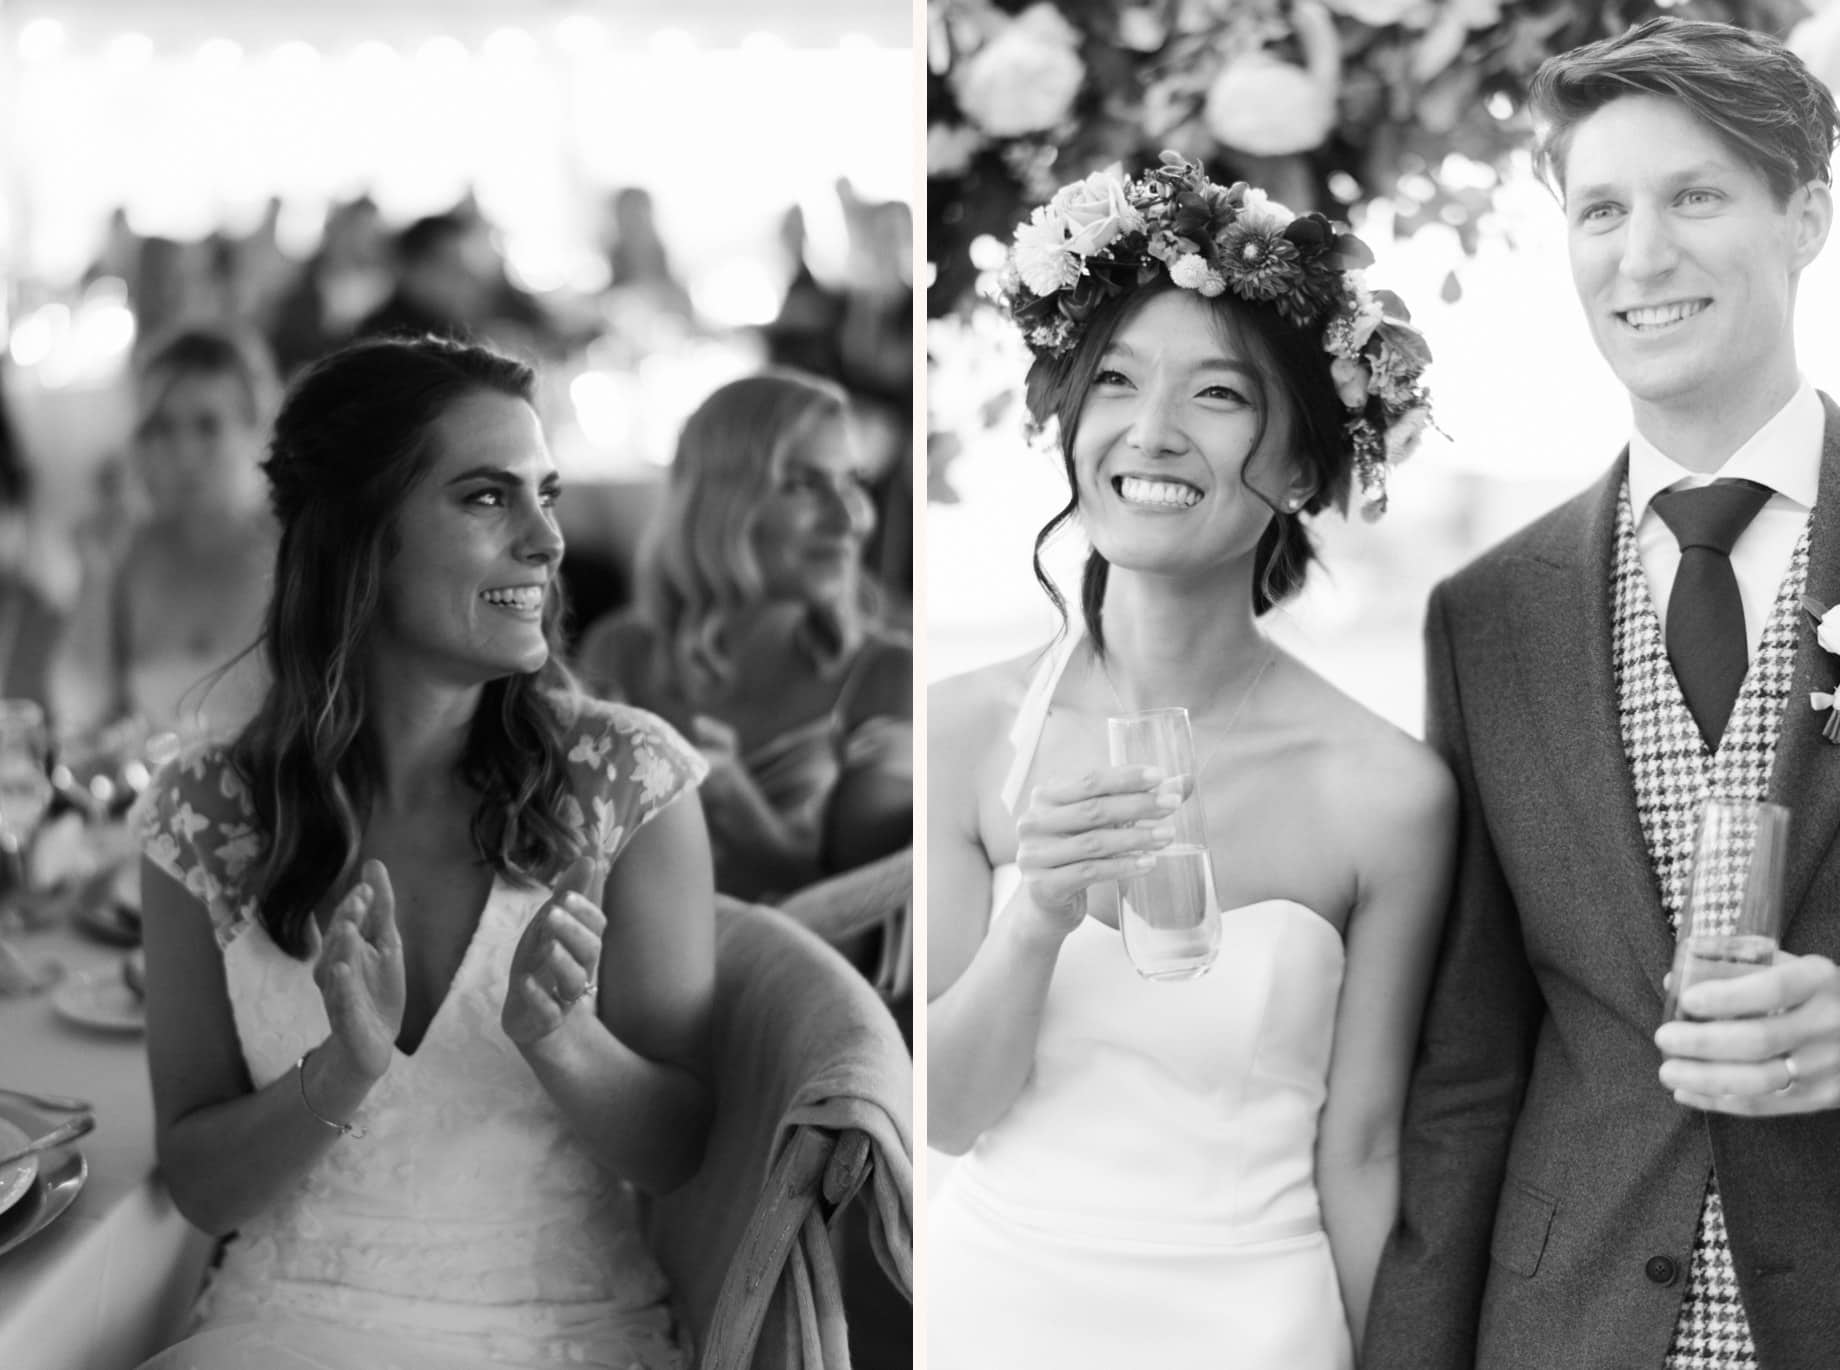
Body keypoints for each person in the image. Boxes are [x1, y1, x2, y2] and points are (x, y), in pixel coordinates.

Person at [925, 154, 1453, 1369]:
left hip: (1255, 1328)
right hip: (990, 1310)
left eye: (1218, 394)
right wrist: (1037, 916)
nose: (1149, 430)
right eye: (1113, 378)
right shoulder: (960, 733)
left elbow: (1363, 1152)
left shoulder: (1387, 795)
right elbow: (945, 1114)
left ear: (1308, 469)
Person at [1366, 19, 1840, 1370]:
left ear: (1804, 215)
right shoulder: (1487, 615)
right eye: (1601, 211)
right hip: (1566, 1327)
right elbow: (1468, 1066)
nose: (1642, 257)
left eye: (1695, 195)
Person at [132, 336, 716, 1370]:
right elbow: (201, 1183)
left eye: (548, 495)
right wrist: (340, 1070)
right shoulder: (206, 808)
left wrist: (564, 1039)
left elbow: (677, 1150)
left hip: (563, 1329)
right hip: (282, 1325)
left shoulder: (625, 776)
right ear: (360, 539)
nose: (546, 541)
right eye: (488, 498)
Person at [573, 369, 910, 913]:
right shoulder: (619, 651)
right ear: (721, 500)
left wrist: (738, 809)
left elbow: (871, 926)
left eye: (852, 482)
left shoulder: (890, 675)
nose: (852, 519)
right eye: (802, 484)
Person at [49, 326, 277, 743]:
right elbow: (78, 714)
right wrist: (96, 577)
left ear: (253, 425)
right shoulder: (128, 551)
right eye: (162, 428)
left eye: (207, 426)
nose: (183, 453)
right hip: (158, 798)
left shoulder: (292, 547)